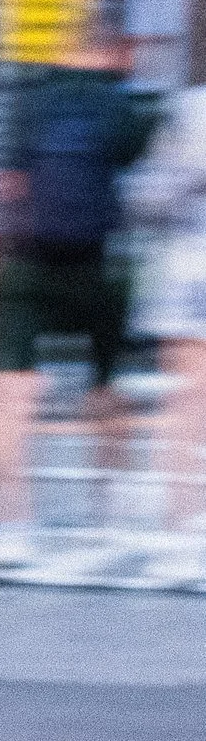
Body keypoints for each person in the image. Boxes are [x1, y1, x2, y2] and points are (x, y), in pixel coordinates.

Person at [0, 25, 161, 566]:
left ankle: (4, 529)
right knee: (105, 385)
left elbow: (3, 185)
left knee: (7, 394)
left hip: (24, 264)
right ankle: (110, 515)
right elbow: (139, 165)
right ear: (107, 51)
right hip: (97, 266)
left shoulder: (25, 99)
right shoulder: (117, 101)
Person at [127, 79, 206, 583]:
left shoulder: (190, 109)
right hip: (191, 274)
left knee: (186, 408)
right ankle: (181, 534)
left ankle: (180, 538)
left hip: (188, 271)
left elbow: (147, 200)